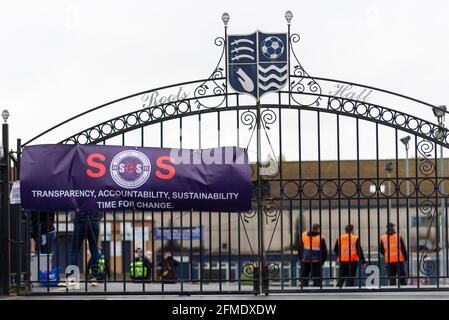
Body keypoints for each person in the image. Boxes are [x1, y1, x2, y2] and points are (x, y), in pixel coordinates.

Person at [69, 211, 103, 280]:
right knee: (94, 249)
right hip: (94, 221)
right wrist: (97, 218)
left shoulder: (79, 199)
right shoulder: (94, 199)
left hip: (80, 222)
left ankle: (72, 276)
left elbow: (72, 210)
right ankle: (95, 274)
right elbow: (101, 208)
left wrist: (74, 219)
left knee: (74, 251)